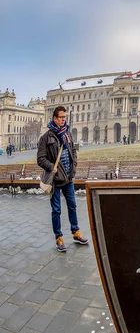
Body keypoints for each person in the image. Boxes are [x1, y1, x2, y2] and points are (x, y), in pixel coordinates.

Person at [37, 106, 89, 252]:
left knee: (72, 206)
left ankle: (75, 232)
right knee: (56, 210)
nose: (63, 120)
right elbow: (40, 159)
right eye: (60, 117)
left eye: (64, 117)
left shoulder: (67, 134)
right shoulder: (46, 137)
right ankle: (58, 237)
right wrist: (52, 166)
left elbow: (73, 151)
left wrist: (74, 167)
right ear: (54, 118)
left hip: (68, 178)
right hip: (55, 180)